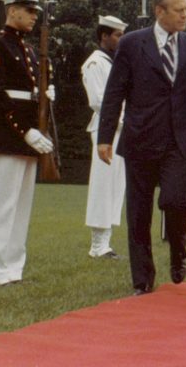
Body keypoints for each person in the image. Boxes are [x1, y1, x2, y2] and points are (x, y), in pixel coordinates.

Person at [97, 0, 186, 295]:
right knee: (139, 211)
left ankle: (178, 253)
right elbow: (115, 90)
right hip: (141, 137)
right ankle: (143, 279)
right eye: (179, 9)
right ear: (160, 11)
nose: (185, 14)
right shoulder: (132, 44)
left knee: (174, 200)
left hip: (178, 139)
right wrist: (104, 137)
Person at [0, 0, 54, 285]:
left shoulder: (31, 50)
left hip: (28, 134)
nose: (34, 16)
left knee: (21, 206)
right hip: (8, 134)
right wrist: (26, 130)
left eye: (35, 11)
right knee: (1, 205)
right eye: (29, 10)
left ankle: (12, 268)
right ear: (12, 10)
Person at [81, 14, 128, 260]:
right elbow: (98, 100)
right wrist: (123, 119)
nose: (120, 40)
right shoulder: (95, 63)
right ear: (104, 36)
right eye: (117, 35)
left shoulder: (114, 62)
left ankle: (105, 243)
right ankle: (97, 244)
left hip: (121, 129)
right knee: (103, 185)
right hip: (105, 129)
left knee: (115, 186)